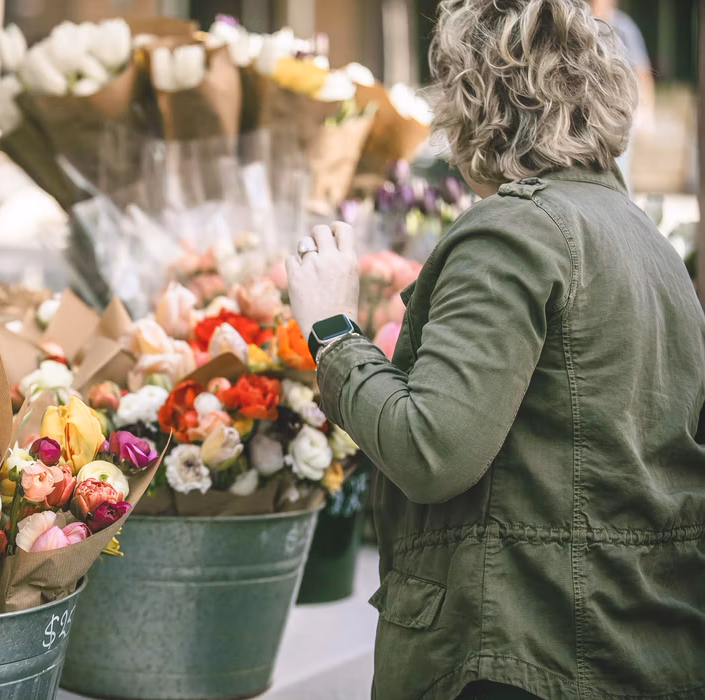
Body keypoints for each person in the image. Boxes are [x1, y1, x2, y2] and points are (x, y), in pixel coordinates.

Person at [285, 1, 705, 699]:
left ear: (473, 100)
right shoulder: (650, 244)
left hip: (522, 653)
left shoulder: (512, 232)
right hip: (642, 648)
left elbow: (430, 450)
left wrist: (332, 331)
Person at [588, 0, 655, 191]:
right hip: (591, 114)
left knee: (620, 170)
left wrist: (648, 112)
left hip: (619, 113)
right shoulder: (582, 22)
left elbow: (642, 72)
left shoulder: (624, 28)